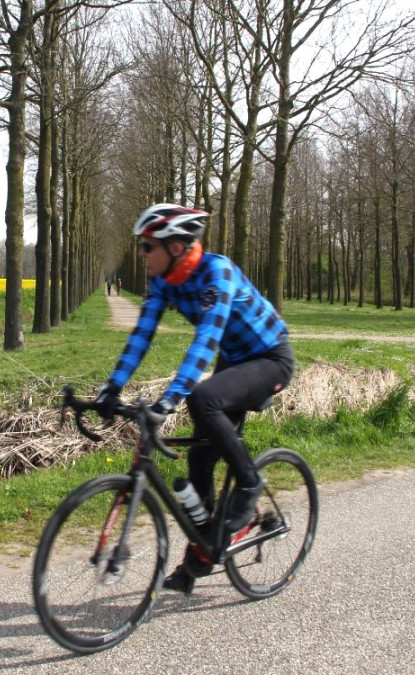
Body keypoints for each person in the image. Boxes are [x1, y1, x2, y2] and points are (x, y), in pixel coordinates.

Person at [94, 203, 294, 593]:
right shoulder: (165, 282)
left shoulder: (216, 274)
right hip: (235, 363)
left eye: (148, 245)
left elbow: (205, 343)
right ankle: (203, 553)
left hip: (270, 359)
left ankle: (250, 482)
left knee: (201, 399)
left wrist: (170, 399)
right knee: (201, 456)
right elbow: (141, 337)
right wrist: (111, 388)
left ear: (176, 246)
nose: (142, 253)